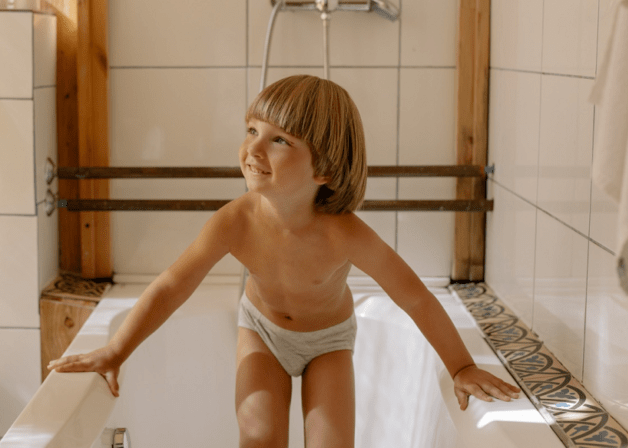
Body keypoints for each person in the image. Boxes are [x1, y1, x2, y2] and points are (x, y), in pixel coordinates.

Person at [48, 74, 521, 447]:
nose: (253, 148)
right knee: (258, 437)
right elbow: (173, 285)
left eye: (280, 141)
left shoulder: (345, 233)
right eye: (253, 130)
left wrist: (460, 367)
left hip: (329, 342)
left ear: (325, 170)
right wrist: (117, 350)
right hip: (263, 334)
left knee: (333, 445)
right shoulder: (235, 221)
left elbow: (415, 297)